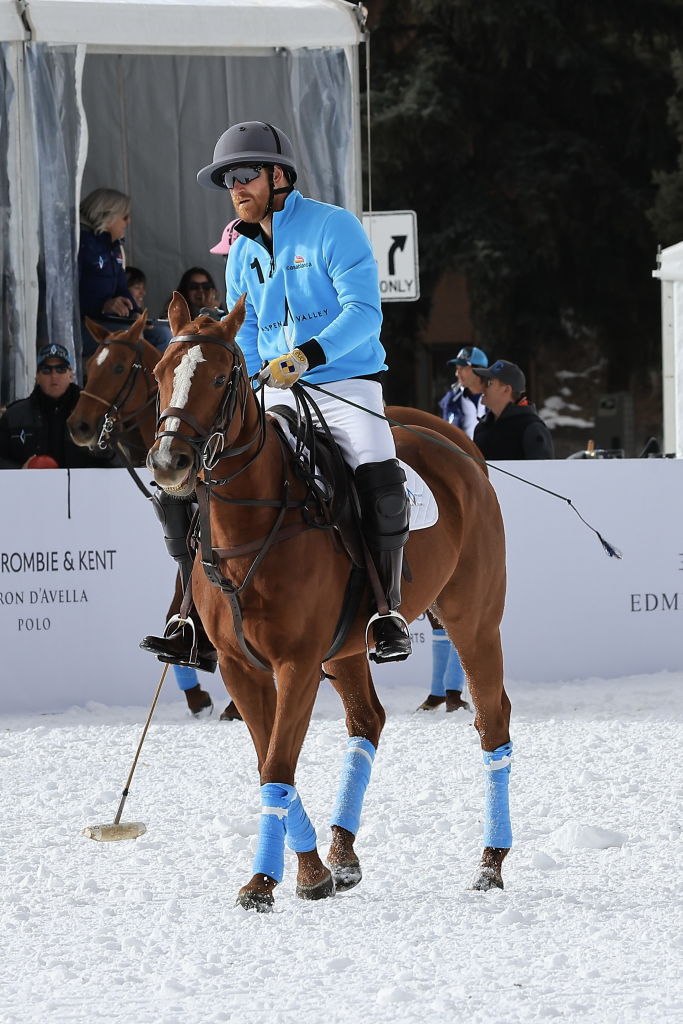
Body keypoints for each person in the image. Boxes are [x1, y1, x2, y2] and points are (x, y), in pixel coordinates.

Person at [142, 120, 412, 667]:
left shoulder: (334, 227)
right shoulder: (240, 251)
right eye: (228, 180)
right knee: (195, 479)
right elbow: (243, 334)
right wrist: (242, 378)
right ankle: (190, 618)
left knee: (381, 483)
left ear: (279, 175)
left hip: (345, 384)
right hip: (272, 390)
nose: (236, 187)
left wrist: (307, 356)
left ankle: (386, 612)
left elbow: (365, 313)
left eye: (245, 174)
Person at [78, 188, 171, 357]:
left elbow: (122, 286)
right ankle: (135, 376)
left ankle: (157, 376)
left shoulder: (114, 247)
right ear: (107, 216)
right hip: (82, 326)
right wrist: (102, 306)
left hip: (108, 321)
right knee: (130, 336)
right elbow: (66, 297)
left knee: (163, 334)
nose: (128, 220)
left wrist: (135, 313)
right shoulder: (80, 244)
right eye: (124, 215)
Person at [0, 344, 115, 469]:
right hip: (31, 482)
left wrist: (107, 451)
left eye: (61, 369)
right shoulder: (13, 416)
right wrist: (20, 471)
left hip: (84, 482)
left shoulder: (94, 414)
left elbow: (123, 460)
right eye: (46, 370)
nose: (54, 375)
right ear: (37, 377)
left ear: (71, 375)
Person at [473, 360, 554, 460]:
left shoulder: (531, 427)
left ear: (506, 389)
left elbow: (542, 469)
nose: (481, 387)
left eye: (488, 382)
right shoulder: (481, 427)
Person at [438, 346, 488, 438]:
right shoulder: (451, 400)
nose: (457, 373)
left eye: (462, 368)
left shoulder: (496, 398)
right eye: (457, 368)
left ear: (479, 369)